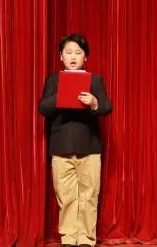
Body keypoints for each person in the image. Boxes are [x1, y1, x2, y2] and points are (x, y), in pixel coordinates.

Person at [39, 34, 113, 247]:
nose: (73, 57)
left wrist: (94, 102)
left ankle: (86, 239)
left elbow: (107, 107)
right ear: (61, 56)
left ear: (85, 57)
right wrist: (61, 95)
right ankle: (69, 238)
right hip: (61, 147)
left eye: (78, 53)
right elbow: (43, 108)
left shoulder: (94, 80)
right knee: (66, 197)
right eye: (68, 52)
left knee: (89, 196)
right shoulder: (53, 80)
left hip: (89, 147)